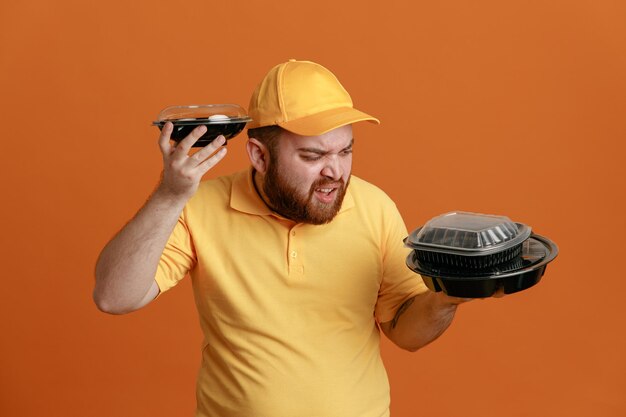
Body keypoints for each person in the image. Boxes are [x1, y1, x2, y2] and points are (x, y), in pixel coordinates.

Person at [94, 59, 469, 417]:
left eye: (345, 151)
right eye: (312, 155)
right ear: (259, 155)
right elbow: (114, 296)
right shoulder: (200, 208)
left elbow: (407, 333)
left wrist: (445, 298)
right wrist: (169, 196)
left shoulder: (374, 206)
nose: (335, 171)